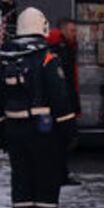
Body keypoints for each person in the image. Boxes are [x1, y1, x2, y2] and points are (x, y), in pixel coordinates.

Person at [0, 7, 76, 208]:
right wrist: (69, 132)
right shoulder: (46, 57)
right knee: (46, 189)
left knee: (22, 187)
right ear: (42, 26)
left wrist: (0, 133)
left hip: (14, 132)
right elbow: (60, 98)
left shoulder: (5, 57)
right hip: (44, 134)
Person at [45, 18, 82, 186]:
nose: (75, 34)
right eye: (72, 30)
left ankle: (59, 173)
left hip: (63, 102)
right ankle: (59, 175)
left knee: (61, 141)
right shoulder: (60, 49)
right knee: (63, 140)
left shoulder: (64, 47)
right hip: (62, 103)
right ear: (63, 30)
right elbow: (65, 81)